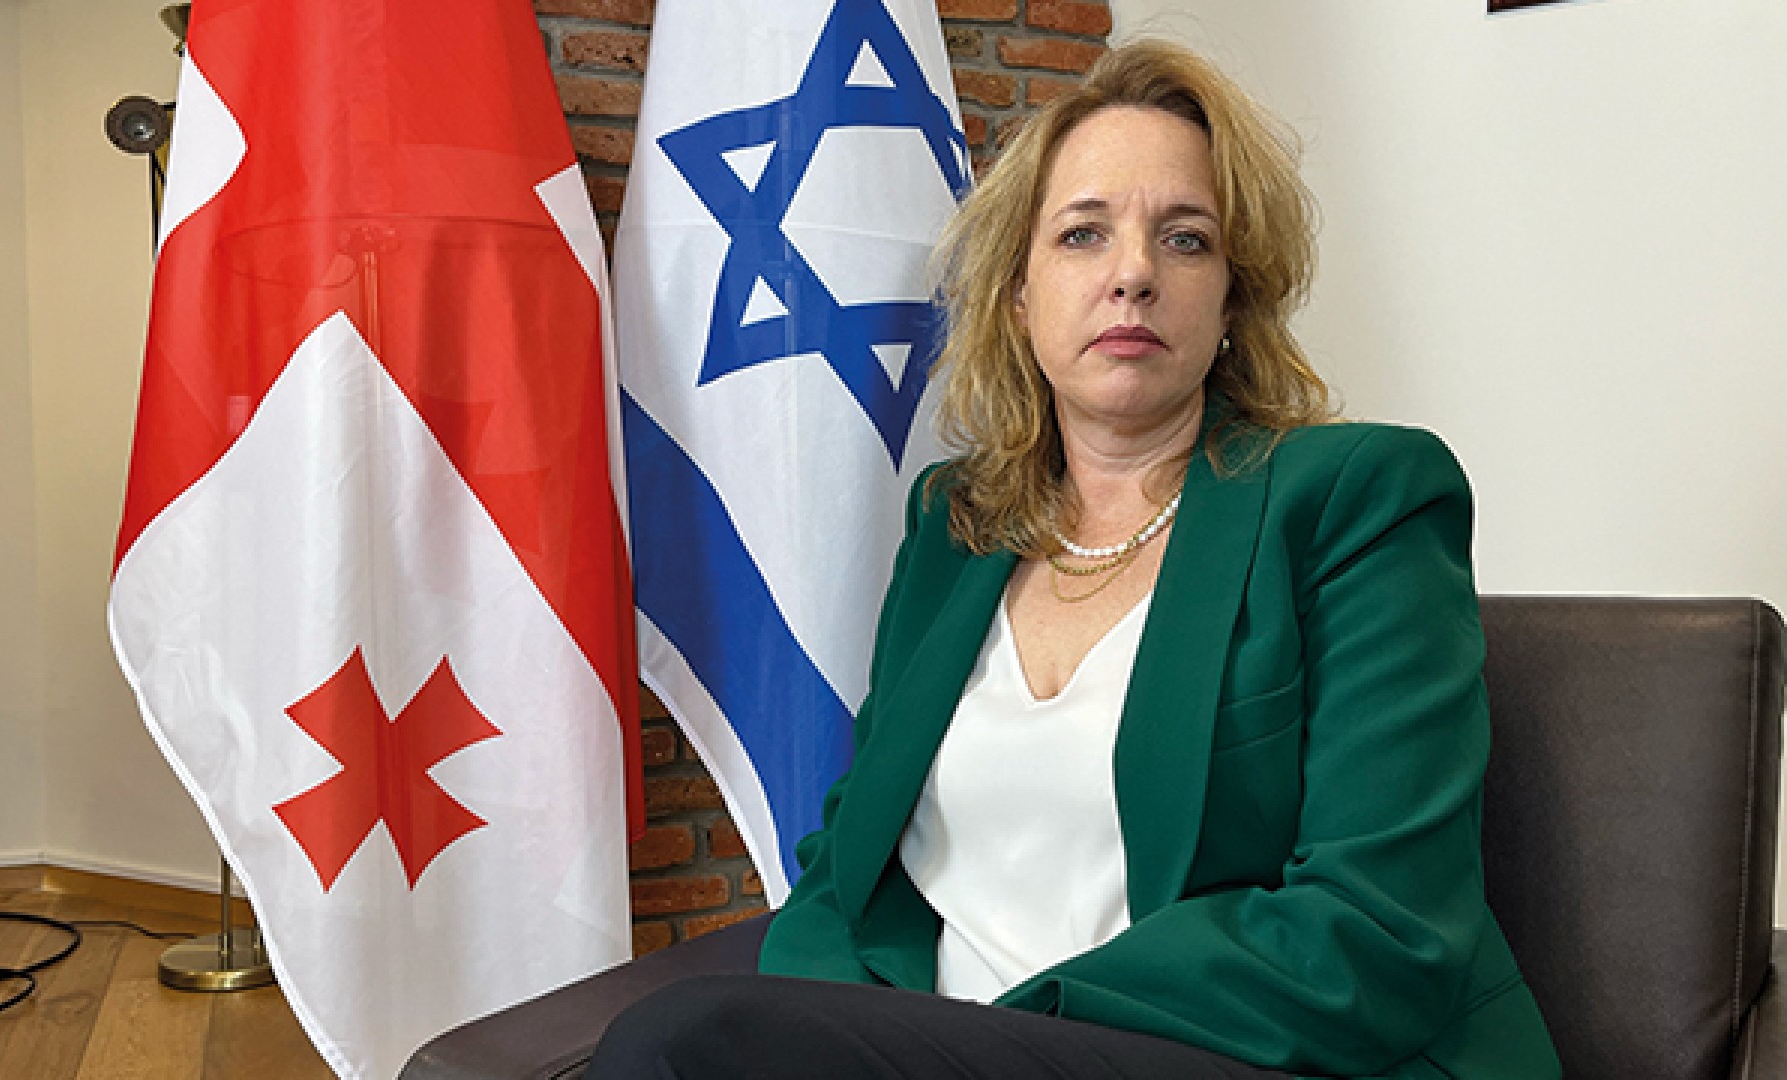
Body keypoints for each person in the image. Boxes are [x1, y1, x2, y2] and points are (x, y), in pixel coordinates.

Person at [586, 37, 1562, 1080]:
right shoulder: (954, 524)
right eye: (1083, 234)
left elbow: (1379, 928)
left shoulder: (1357, 498)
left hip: (1229, 1051)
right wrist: (832, 1024)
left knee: (674, 1044)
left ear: (1232, 298)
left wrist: (1001, 1034)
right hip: (945, 1048)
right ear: (1019, 293)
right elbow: (846, 867)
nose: (1133, 274)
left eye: (1185, 240)